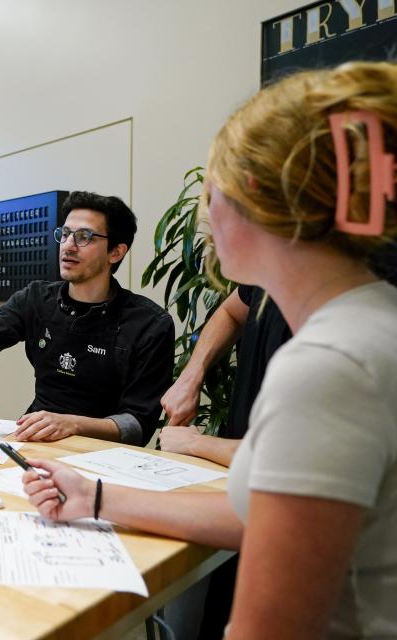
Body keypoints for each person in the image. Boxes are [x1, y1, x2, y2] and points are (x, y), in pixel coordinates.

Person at [23, 61, 397, 639]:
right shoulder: (368, 321)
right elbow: (261, 512)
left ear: (252, 197)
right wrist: (93, 495)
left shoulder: (329, 365)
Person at [0, 191, 174, 445]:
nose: (69, 246)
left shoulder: (149, 323)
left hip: (104, 456)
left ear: (116, 252)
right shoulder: (36, 299)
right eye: (66, 234)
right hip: (37, 441)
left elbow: (137, 425)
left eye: (84, 237)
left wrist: (73, 424)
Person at [159, 285, 291, 467]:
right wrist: (189, 379)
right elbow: (230, 313)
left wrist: (193, 443)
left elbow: (283, 458)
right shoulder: (267, 278)